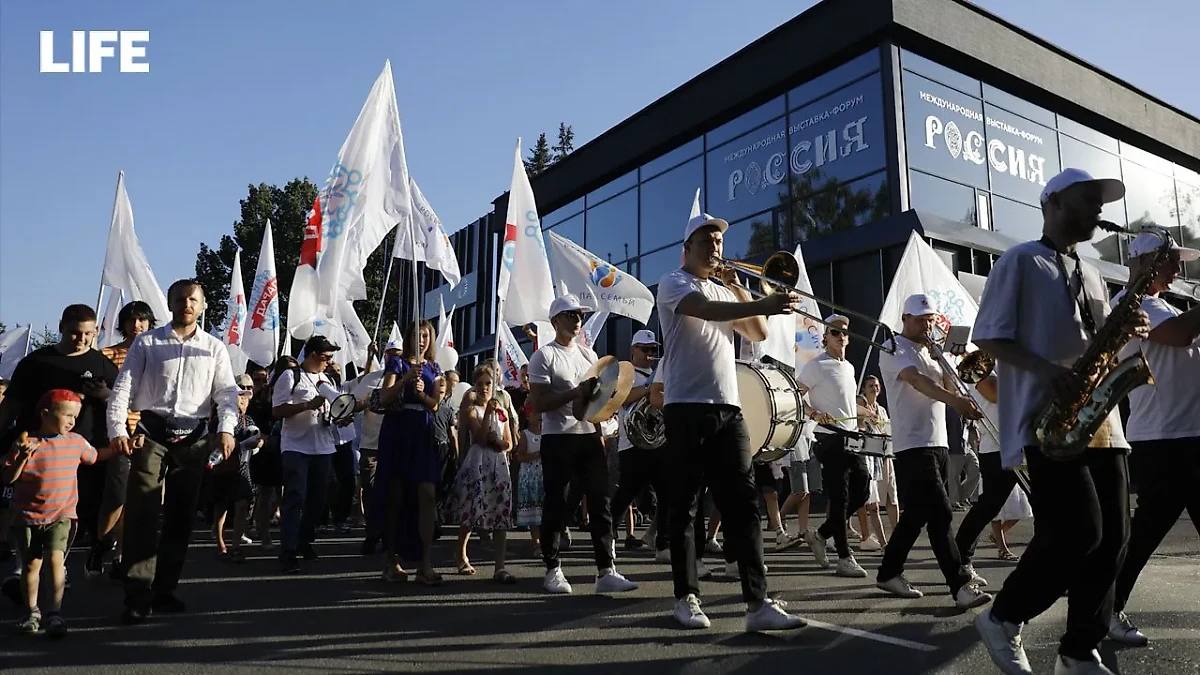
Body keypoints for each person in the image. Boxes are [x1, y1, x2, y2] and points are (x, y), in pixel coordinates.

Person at [971, 168, 1151, 675]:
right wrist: (1046, 370)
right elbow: (989, 337)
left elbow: (1094, 340)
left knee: (1115, 538)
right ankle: (1004, 617)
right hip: (1047, 420)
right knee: (1079, 534)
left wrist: (1127, 328)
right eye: (1088, 199)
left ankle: (1077, 649)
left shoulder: (1092, 272)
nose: (1098, 208)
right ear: (1051, 201)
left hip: (1102, 417)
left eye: (1099, 201)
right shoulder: (1020, 260)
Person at [654, 211, 806, 632]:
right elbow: (704, 310)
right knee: (685, 507)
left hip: (728, 407)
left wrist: (740, 287)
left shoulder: (725, 287)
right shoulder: (674, 282)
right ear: (687, 249)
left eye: (718, 242)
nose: (715, 248)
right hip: (685, 406)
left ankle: (757, 603)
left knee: (743, 504)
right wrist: (761, 301)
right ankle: (686, 597)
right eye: (706, 242)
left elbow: (756, 332)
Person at [106, 280, 240, 624]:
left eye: (193, 299)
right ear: (169, 304)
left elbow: (226, 394)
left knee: (181, 517)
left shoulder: (214, 348)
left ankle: (165, 590)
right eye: (180, 299)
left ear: (203, 304)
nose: (186, 304)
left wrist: (225, 429)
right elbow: (123, 388)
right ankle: (137, 593)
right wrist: (118, 430)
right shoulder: (148, 343)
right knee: (142, 513)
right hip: (151, 435)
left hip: (194, 440)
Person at [1107, 231, 1200, 648]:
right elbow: (1179, 337)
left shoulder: (1163, 306)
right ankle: (1105, 609)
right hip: (1163, 438)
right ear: (1144, 262)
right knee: (1146, 530)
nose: (1178, 268)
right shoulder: (1132, 305)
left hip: (1186, 434)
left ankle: (1105, 607)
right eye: (1171, 261)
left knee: (1146, 529)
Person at [875, 294, 991, 611]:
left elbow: (952, 389)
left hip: (937, 441)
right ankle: (960, 584)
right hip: (913, 444)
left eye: (930, 318)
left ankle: (888, 573)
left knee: (916, 515)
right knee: (941, 513)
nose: (927, 324)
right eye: (920, 318)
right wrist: (954, 402)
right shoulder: (894, 348)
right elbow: (916, 381)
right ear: (905, 318)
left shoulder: (931, 351)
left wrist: (947, 360)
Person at [528, 293, 637, 596]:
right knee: (557, 503)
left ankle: (606, 570)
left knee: (600, 502)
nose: (577, 321)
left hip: (589, 435)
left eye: (579, 316)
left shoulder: (590, 355)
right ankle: (552, 570)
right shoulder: (544, 356)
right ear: (555, 320)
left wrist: (602, 426)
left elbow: (599, 401)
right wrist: (575, 392)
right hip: (557, 437)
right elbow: (539, 403)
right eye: (570, 315)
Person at [2, 390, 130, 637]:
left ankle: (55, 613)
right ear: (45, 414)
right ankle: (32, 612)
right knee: (31, 565)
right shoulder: (27, 443)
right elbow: (8, 478)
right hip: (28, 516)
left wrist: (119, 448)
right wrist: (21, 459)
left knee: (55, 561)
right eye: (67, 415)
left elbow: (95, 457)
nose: (72, 420)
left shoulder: (76, 442)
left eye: (75, 416)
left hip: (62, 514)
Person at [0, 305, 119, 553]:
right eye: (75, 333)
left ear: (96, 331)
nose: (82, 339)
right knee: (33, 511)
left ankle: (62, 565)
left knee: (76, 512)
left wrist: (108, 396)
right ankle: (26, 565)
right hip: (35, 452)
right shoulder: (36, 362)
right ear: (61, 327)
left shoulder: (102, 365)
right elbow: (11, 404)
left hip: (82, 453)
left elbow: (122, 404)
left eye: (88, 334)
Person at [796, 315, 871, 578]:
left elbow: (847, 405)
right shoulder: (816, 365)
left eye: (844, 333)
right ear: (825, 337)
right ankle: (844, 557)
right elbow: (796, 395)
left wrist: (868, 413)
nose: (841, 337)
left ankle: (821, 534)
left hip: (851, 436)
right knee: (839, 497)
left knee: (862, 490)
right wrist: (814, 413)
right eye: (835, 332)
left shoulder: (849, 367)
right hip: (829, 438)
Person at [88, 300, 156, 580]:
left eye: (142, 320)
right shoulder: (106, 355)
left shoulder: (157, 356)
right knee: (116, 498)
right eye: (131, 319)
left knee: (136, 501)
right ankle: (101, 544)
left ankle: (120, 556)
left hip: (148, 435)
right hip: (114, 435)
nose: (137, 325)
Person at [375, 321, 443, 585]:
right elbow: (383, 398)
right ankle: (392, 560)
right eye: (417, 334)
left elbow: (435, 405)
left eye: (426, 335)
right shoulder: (397, 363)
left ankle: (425, 563)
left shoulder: (434, 368)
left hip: (423, 431)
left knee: (427, 493)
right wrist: (405, 380)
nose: (422, 340)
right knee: (396, 495)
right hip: (398, 430)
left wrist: (424, 394)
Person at [272, 335, 344, 574]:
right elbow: (277, 411)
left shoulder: (327, 379)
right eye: (325, 357)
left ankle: (304, 540)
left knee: (317, 500)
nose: (328, 362)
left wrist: (342, 416)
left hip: (323, 446)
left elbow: (334, 408)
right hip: (296, 447)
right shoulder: (290, 376)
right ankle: (288, 551)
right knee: (295, 496)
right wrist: (306, 405)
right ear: (312, 355)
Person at [444, 365, 515, 583]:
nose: (484, 388)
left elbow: (509, 443)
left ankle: (500, 566)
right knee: (473, 511)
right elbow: (480, 437)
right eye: (480, 384)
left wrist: (499, 441)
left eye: (488, 383)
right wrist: (488, 418)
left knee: (500, 514)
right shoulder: (472, 410)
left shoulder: (502, 412)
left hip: (498, 464)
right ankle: (461, 552)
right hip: (479, 464)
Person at [608, 331, 668, 551]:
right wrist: (649, 389)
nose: (650, 354)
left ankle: (661, 542)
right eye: (645, 349)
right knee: (626, 493)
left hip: (657, 441)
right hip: (632, 443)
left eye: (653, 349)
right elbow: (621, 400)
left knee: (666, 493)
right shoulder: (625, 374)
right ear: (633, 349)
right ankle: (607, 534)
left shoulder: (659, 373)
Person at [211, 374, 262, 563]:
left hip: (243, 465)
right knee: (221, 506)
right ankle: (220, 543)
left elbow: (259, 437)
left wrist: (258, 443)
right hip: (223, 465)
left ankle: (236, 546)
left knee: (242, 504)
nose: (244, 397)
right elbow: (213, 441)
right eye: (241, 391)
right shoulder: (222, 416)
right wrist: (240, 444)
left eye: (248, 393)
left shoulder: (248, 419)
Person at [514, 402, 544, 556]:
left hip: (543, 476)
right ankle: (536, 542)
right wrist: (536, 455)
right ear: (528, 416)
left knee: (544, 510)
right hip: (531, 477)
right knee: (534, 512)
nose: (539, 416)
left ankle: (546, 540)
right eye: (535, 413)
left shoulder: (546, 433)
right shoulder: (526, 434)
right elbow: (520, 456)